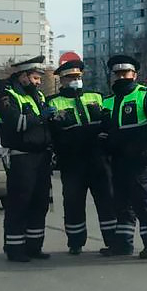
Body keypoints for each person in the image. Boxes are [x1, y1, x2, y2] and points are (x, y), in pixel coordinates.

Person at [100, 54, 147, 259]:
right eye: (118, 73)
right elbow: (104, 130)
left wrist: (137, 145)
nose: (121, 77)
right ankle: (123, 245)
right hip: (117, 159)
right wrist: (105, 146)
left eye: (125, 73)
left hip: (140, 157)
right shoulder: (108, 101)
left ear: (135, 75)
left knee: (142, 200)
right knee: (120, 202)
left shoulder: (146, 96)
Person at [49, 58, 116, 255]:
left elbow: (107, 123)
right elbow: (54, 133)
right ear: (62, 80)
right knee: (73, 202)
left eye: (78, 76)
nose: (76, 80)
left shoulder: (96, 97)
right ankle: (76, 242)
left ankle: (112, 240)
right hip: (72, 162)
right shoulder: (53, 102)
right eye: (71, 77)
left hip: (98, 160)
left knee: (107, 202)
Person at [0, 55, 54, 263]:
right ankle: (15, 248)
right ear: (23, 76)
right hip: (20, 158)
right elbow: (16, 123)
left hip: (41, 157)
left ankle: (33, 246)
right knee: (19, 203)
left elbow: (43, 126)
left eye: (39, 79)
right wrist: (42, 117)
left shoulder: (37, 97)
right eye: (35, 78)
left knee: (40, 203)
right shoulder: (4, 95)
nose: (38, 83)